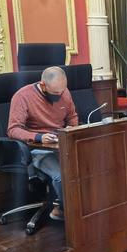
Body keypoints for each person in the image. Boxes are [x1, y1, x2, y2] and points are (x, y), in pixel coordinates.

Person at [7, 66, 78, 221]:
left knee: (89, 166)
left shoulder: (63, 92)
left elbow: (72, 116)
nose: (60, 96)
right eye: (55, 93)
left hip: (62, 144)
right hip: (38, 149)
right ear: (43, 85)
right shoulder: (23, 96)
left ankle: (85, 208)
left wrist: (71, 128)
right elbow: (13, 130)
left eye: (62, 91)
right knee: (62, 175)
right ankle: (62, 210)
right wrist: (39, 137)